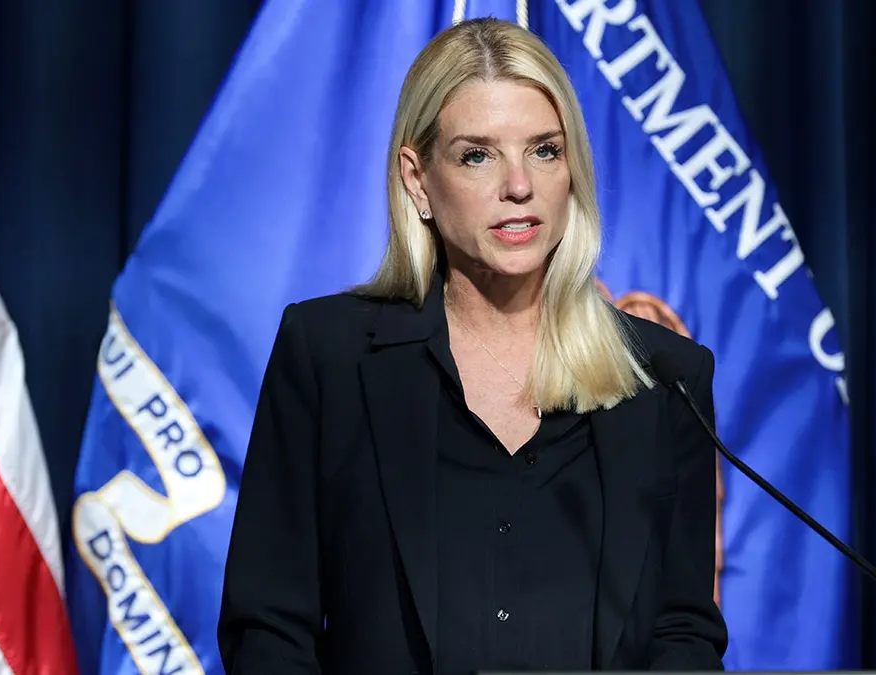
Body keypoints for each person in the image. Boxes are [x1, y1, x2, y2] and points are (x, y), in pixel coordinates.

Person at [217, 17, 728, 675]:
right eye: (477, 154)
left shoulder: (663, 376)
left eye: (544, 149)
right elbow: (267, 627)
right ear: (418, 179)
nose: (520, 185)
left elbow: (682, 628)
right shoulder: (328, 357)